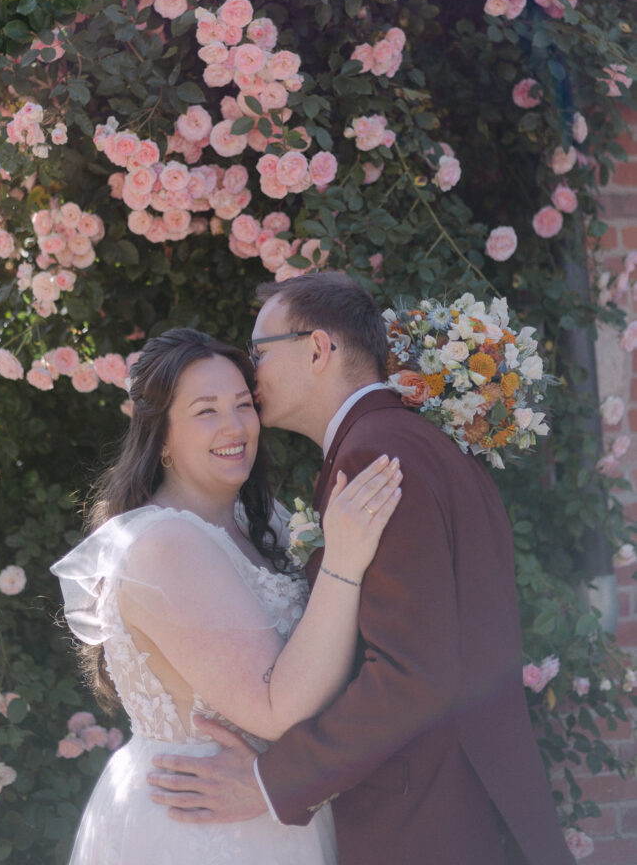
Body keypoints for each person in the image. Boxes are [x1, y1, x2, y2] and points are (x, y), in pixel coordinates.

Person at [147, 273, 575, 865]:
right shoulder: (408, 440)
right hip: (455, 800)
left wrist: (270, 781)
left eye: (258, 352)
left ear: (317, 349)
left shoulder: (375, 453)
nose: (251, 374)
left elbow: (411, 674)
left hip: (424, 821)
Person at [50, 326, 402, 865]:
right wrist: (345, 560)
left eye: (243, 404)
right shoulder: (163, 545)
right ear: (161, 437)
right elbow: (275, 709)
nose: (235, 426)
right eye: (206, 411)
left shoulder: (261, 521)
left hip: (272, 805)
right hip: (203, 826)